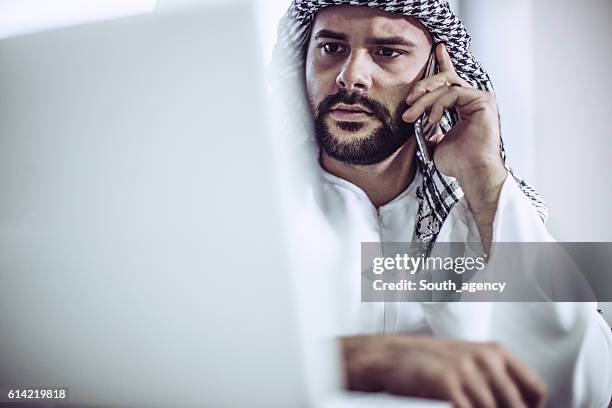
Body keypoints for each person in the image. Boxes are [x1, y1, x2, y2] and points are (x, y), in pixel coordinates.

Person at [270, 1, 612, 407]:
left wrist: (485, 180)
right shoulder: (253, 212)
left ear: (435, 71)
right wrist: (363, 360)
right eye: (331, 48)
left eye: (387, 52)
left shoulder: (475, 219)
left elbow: (586, 386)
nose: (351, 77)